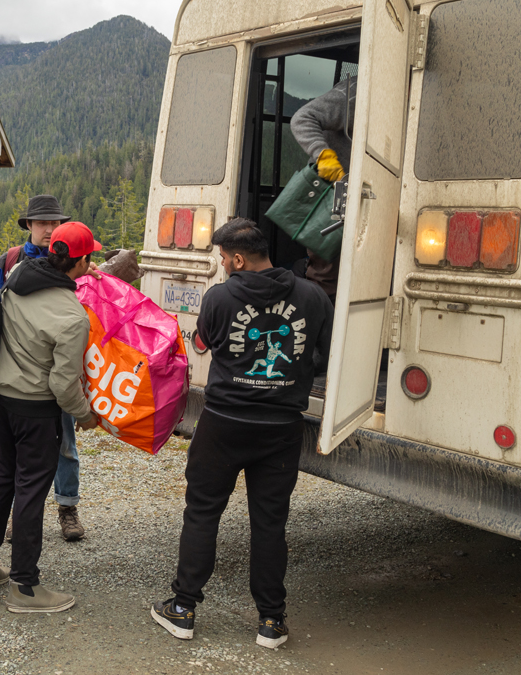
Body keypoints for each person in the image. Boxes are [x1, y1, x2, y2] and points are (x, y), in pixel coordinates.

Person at [150, 217, 333, 648]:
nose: (221, 266)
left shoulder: (219, 297)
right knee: (270, 523)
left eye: (221, 258)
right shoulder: (312, 297)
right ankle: (271, 621)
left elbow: (208, 342)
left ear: (236, 258)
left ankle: (183, 609)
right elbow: (321, 355)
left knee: (202, 513)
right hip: (281, 427)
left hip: (224, 424)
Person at [0, 222, 101, 613]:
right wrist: (86, 415)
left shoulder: (15, 281)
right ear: (83, 262)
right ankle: (25, 587)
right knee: (30, 492)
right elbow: (63, 385)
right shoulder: (72, 315)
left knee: (0, 483)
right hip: (36, 412)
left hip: (1, 403)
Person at [0, 194, 88, 542]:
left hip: (58, 372)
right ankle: (22, 520)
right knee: (15, 462)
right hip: (17, 381)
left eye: (55, 223)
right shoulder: (10, 261)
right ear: (28, 225)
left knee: (66, 444)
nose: (49, 229)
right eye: (42, 223)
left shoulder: (76, 264)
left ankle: (67, 507)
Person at [290, 76, 355, 298]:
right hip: (331, 196)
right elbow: (302, 118)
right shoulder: (357, 90)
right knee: (325, 276)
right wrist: (323, 155)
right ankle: (322, 330)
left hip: (355, 199)